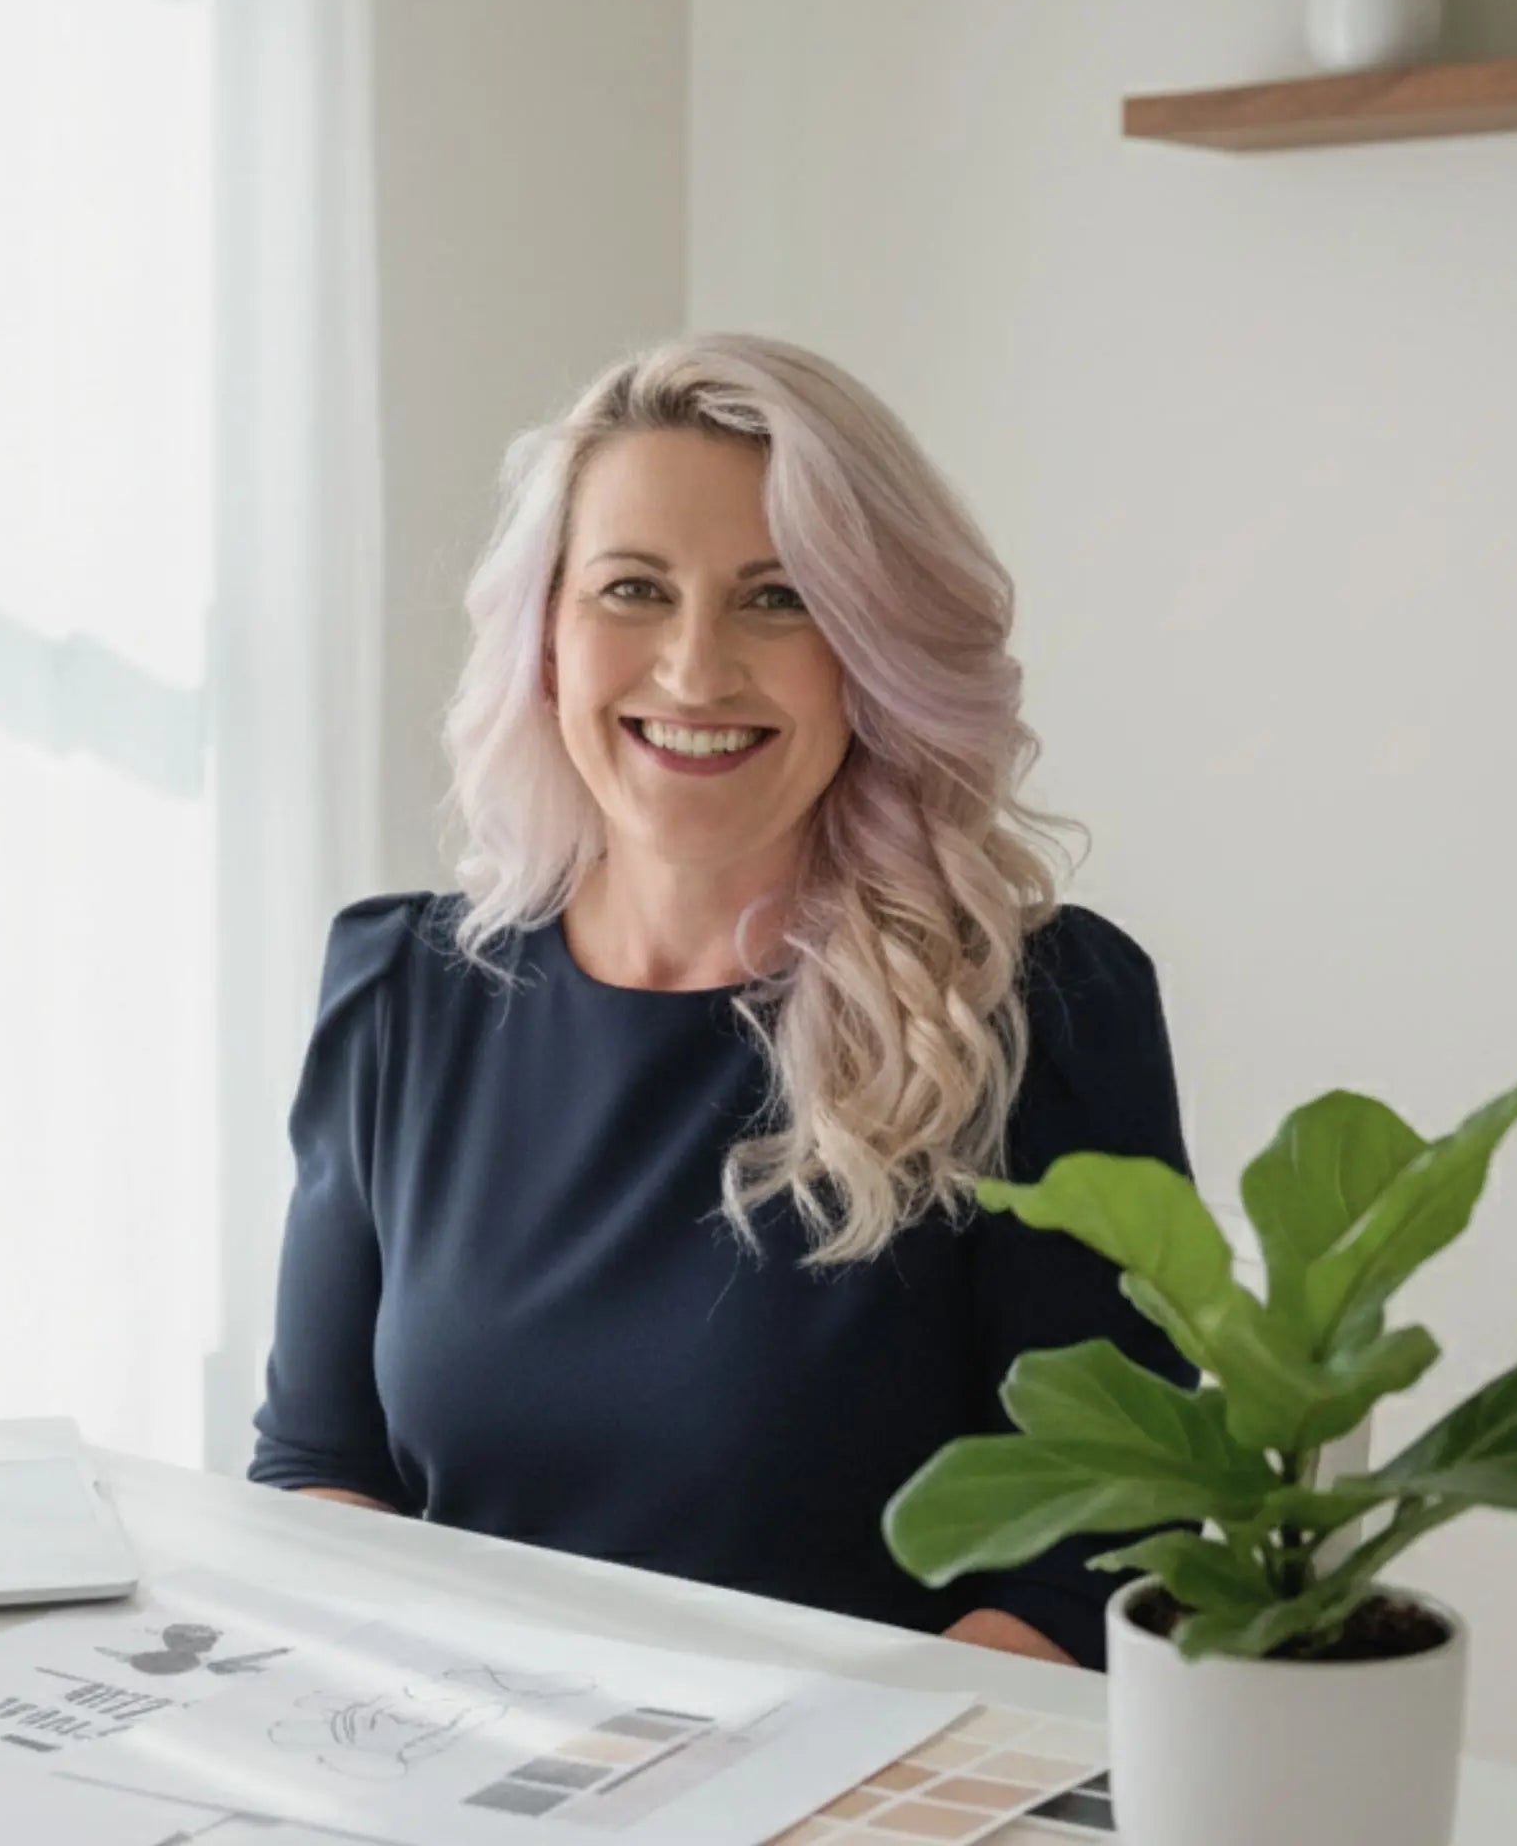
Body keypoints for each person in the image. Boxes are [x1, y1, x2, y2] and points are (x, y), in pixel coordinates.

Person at [249, 334, 1199, 1672]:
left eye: (777, 599)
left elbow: (1099, 1540)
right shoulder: (402, 988)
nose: (696, 672)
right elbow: (318, 1468)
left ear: (868, 648)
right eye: (633, 589)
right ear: (545, 636)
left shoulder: (1040, 1009)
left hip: (869, 1802)